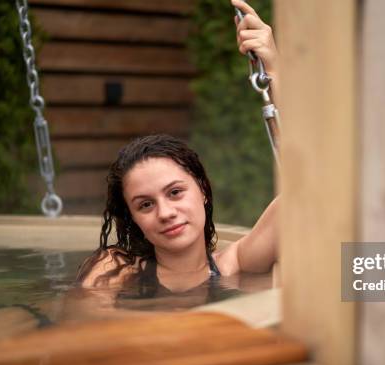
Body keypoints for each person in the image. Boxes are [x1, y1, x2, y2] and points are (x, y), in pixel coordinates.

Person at [76, 2, 279, 299]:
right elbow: (84, 329)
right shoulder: (117, 269)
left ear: (203, 191)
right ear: (133, 218)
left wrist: (273, 69)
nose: (166, 213)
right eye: (145, 204)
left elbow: (308, 188)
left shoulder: (235, 264)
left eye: (175, 192)